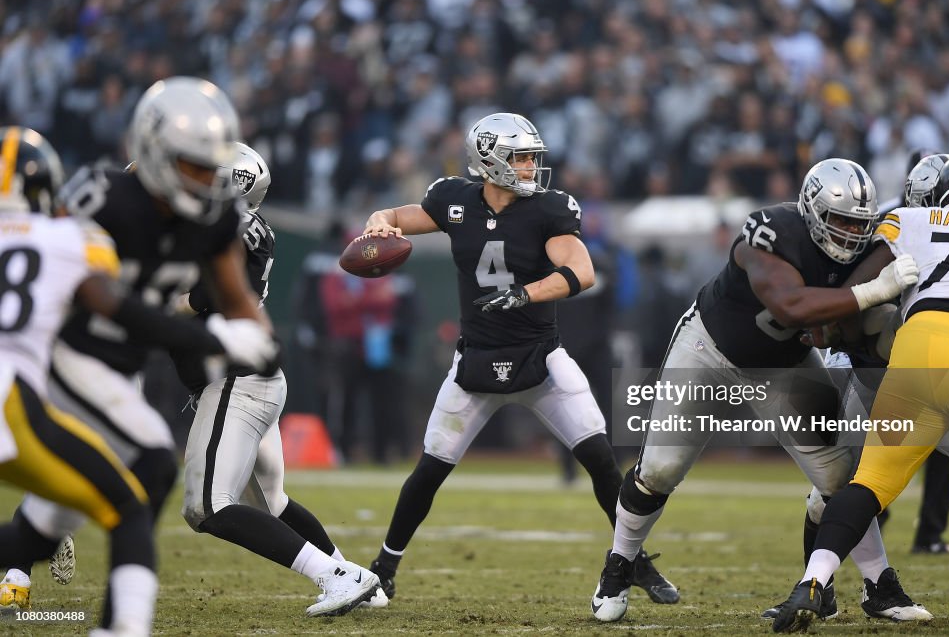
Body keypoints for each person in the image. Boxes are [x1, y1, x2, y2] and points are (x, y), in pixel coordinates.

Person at [591, 158, 930, 623]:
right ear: (812, 212)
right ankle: (619, 565)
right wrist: (873, 292)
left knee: (839, 479)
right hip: (709, 349)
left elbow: (838, 324)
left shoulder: (866, 250)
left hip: (782, 366)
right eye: (841, 221)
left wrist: (865, 323)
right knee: (660, 470)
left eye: (859, 223)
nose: (852, 234)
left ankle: (880, 588)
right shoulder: (771, 229)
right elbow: (790, 306)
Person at [0, 77, 291, 617]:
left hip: (107, 361)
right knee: (144, 471)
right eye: (194, 164)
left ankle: (41, 574)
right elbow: (102, 299)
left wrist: (257, 337)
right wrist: (211, 334)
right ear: (154, 152)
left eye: (214, 166)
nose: (208, 179)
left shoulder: (217, 216)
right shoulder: (99, 202)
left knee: (101, 498)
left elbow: (234, 295)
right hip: (59, 357)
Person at [361, 112, 677, 604]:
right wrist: (379, 222)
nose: (531, 167)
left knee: (600, 459)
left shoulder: (547, 210)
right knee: (430, 470)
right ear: (488, 161)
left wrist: (525, 294)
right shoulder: (454, 199)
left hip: (540, 359)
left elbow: (581, 270)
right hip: (475, 363)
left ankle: (629, 563)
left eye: (532, 157)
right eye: (521, 157)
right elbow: (399, 217)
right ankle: (383, 567)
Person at [770, 150, 949, 632]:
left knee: (866, 484)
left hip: (918, 352)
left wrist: (840, 333)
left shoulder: (907, 218)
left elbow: (855, 287)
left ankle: (813, 580)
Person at [171, 143, 384, 616]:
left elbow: (203, 296)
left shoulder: (230, 230)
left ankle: (332, 576)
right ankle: (353, 575)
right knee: (272, 503)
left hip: (235, 381)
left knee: (206, 505)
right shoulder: (235, 227)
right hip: (253, 379)